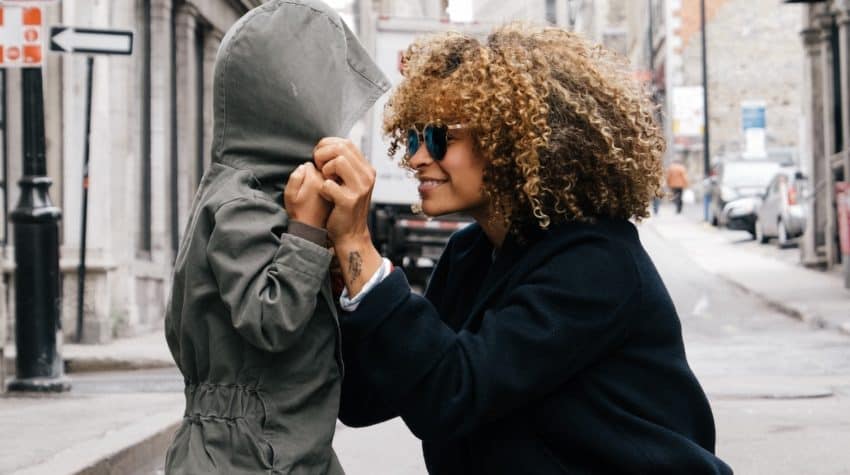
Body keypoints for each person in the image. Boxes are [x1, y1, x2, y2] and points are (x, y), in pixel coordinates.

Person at [313, 24, 732, 474]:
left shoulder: (596, 264)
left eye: (439, 138)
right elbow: (366, 399)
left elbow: (453, 392)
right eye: (413, 137)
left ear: (510, 144)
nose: (416, 157)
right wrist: (345, 279)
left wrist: (360, 247)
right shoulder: (469, 255)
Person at [162, 1, 389, 473]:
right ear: (291, 104)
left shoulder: (270, 191)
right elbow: (270, 316)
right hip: (244, 454)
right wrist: (305, 232)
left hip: (282, 444)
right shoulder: (240, 200)